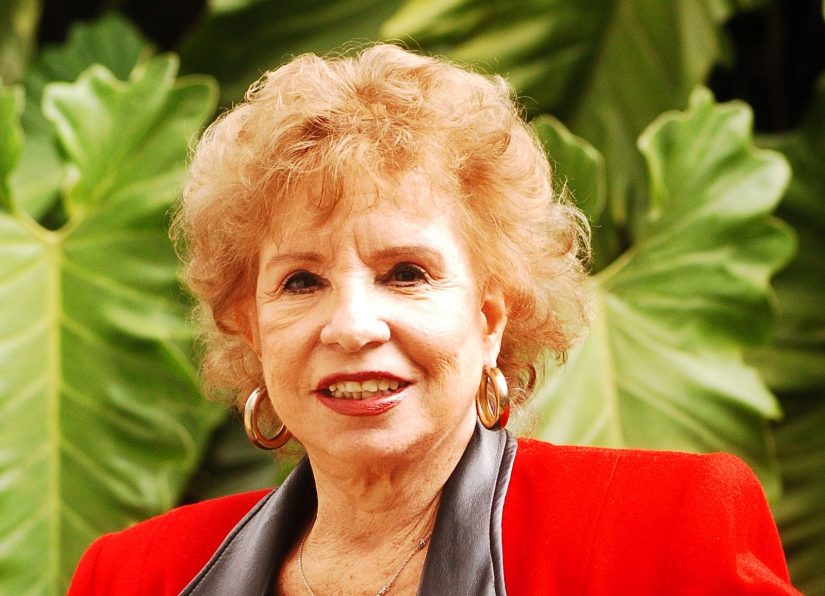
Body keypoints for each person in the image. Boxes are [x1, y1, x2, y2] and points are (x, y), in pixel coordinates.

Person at [68, 44, 798, 595]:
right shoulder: (132, 577)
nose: (352, 326)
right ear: (251, 329)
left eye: (405, 273)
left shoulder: (666, 534)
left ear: (489, 318)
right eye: (301, 281)